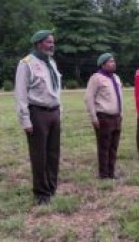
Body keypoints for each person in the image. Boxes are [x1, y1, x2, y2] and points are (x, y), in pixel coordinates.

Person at [14, 30, 61, 205]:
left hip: (53, 112)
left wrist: (59, 111)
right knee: (39, 155)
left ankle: (51, 187)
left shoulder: (52, 63)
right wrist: (25, 120)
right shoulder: (26, 64)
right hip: (37, 113)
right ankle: (41, 193)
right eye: (49, 42)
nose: (52, 45)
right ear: (39, 44)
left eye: (53, 42)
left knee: (53, 153)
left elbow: (56, 90)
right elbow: (20, 94)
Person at [85, 53, 123, 179]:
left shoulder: (116, 78)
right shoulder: (96, 78)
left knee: (114, 146)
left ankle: (111, 172)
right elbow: (89, 98)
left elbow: (120, 97)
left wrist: (121, 113)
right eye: (110, 61)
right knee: (104, 146)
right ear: (103, 64)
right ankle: (104, 174)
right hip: (103, 116)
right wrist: (93, 117)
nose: (114, 63)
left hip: (116, 117)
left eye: (114, 61)